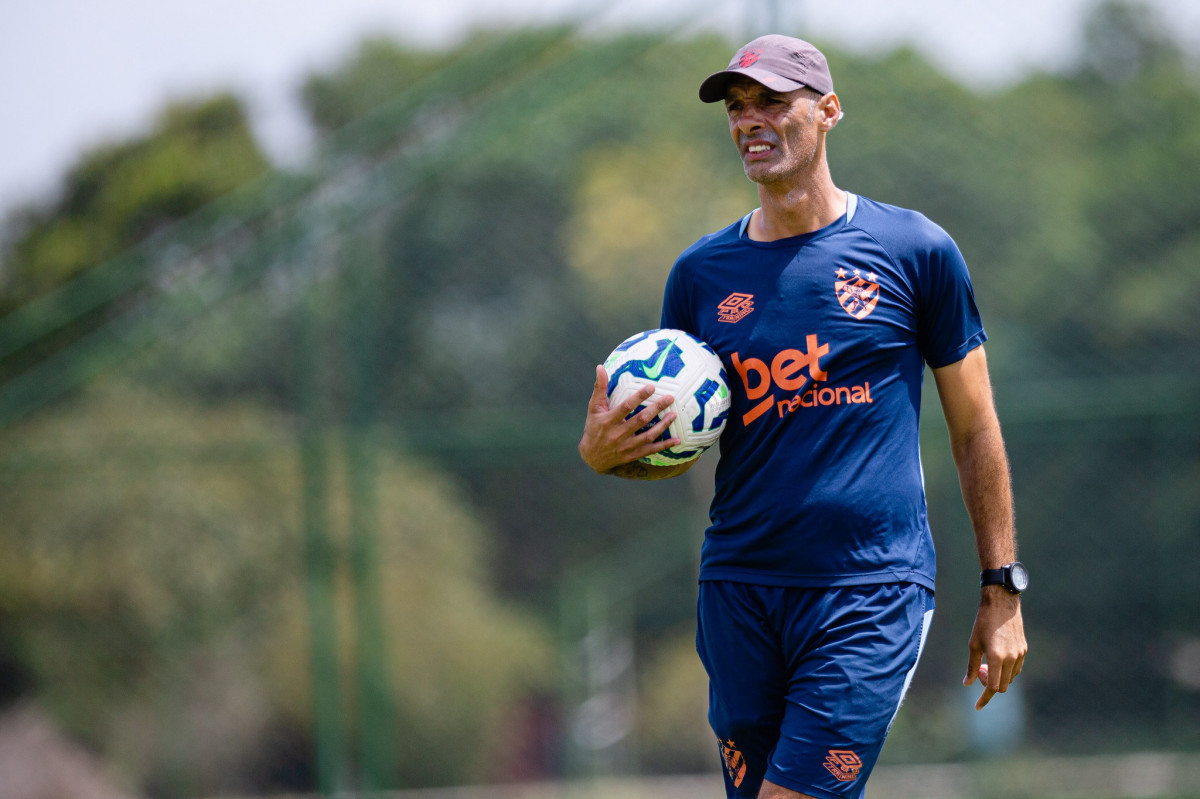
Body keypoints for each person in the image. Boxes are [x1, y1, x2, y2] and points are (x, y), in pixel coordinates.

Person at [577, 34, 1028, 799]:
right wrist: (603, 453)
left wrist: (1002, 588)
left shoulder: (915, 251)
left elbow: (975, 428)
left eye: (772, 101)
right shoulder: (699, 275)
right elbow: (671, 443)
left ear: (828, 111)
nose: (749, 120)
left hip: (870, 589)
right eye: (737, 106)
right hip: (740, 588)